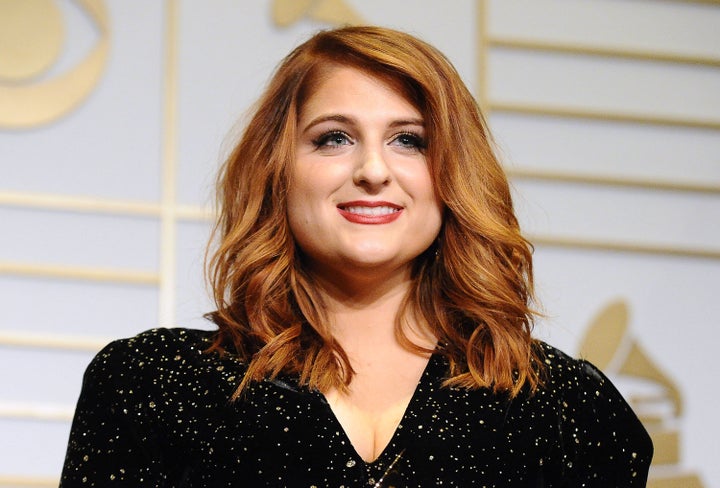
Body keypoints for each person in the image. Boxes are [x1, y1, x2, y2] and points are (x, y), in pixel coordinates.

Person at [60, 26, 652, 487]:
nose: (372, 170)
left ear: (454, 177)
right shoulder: (152, 386)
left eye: (409, 140)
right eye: (334, 138)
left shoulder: (565, 409)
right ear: (279, 170)